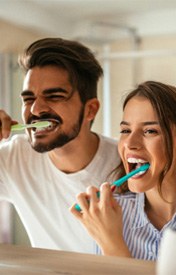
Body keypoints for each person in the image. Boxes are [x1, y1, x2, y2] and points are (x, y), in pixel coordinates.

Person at [0, 38, 120, 253]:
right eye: (28, 99)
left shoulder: (126, 165)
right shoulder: (16, 156)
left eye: (54, 96)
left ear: (90, 110)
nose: (36, 110)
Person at [70, 81, 176, 260]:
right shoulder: (109, 215)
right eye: (125, 130)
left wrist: (113, 245)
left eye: (150, 131)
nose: (130, 144)